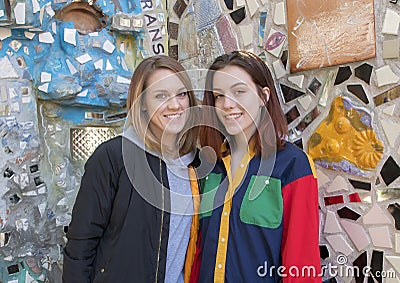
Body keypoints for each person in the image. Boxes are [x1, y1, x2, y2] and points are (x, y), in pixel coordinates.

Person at [63, 55, 201, 283]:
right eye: (161, 96)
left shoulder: (196, 163)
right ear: (143, 104)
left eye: (181, 94)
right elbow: (81, 245)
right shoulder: (113, 157)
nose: (175, 105)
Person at [195, 51, 321, 282]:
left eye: (239, 91)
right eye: (218, 96)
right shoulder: (208, 166)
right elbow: (198, 254)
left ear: (263, 96)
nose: (226, 104)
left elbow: (301, 265)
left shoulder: (292, 167)